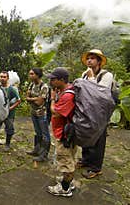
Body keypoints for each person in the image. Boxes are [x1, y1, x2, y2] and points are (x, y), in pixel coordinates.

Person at [78, 49, 114, 179]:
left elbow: (100, 93)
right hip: (87, 111)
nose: (89, 60)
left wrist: (92, 78)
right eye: (88, 58)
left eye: (93, 58)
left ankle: (96, 168)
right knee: (86, 135)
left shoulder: (107, 76)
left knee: (98, 140)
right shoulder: (84, 74)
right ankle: (86, 160)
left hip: (100, 113)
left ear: (99, 61)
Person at [46, 67, 76, 197]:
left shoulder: (68, 95)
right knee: (69, 158)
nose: (51, 81)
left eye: (53, 79)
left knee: (66, 161)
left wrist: (52, 99)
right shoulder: (65, 91)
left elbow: (56, 113)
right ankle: (69, 182)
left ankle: (64, 189)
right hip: (66, 132)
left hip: (65, 135)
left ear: (62, 80)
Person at [26, 68, 51, 162]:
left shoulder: (44, 86)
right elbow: (27, 97)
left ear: (37, 75)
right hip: (33, 112)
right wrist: (35, 98)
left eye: (32, 74)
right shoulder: (32, 84)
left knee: (45, 134)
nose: (30, 76)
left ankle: (44, 155)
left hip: (42, 113)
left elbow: (40, 102)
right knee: (37, 132)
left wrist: (32, 98)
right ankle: (36, 150)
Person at [0, 71, 21, 151]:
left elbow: (18, 100)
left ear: (7, 78)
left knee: (9, 128)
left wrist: (10, 108)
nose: (2, 78)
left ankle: (7, 144)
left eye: (4, 77)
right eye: (1, 77)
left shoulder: (11, 89)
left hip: (9, 114)